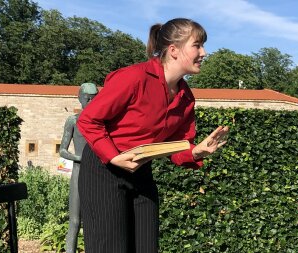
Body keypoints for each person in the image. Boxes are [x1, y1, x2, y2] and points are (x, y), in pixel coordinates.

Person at [77, 18, 229, 253]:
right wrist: (113, 156)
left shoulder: (186, 98)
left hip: (141, 173)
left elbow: (176, 147)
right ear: (173, 50)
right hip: (103, 170)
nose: (204, 53)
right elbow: (89, 120)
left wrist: (195, 151)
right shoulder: (134, 78)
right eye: (197, 45)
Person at [59, 82, 98, 253]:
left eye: (94, 98)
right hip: (79, 172)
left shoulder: (101, 122)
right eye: (87, 98)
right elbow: (62, 150)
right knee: (74, 221)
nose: (90, 102)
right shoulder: (73, 121)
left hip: (97, 175)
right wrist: (80, 158)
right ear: (80, 98)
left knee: (95, 221)